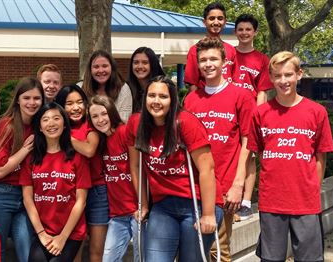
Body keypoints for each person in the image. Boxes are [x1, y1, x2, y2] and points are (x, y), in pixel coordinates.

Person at [248, 51, 333, 262]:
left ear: (299, 74)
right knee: (270, 259)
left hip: (305, 202)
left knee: (310, 259)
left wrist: (312, 189)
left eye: (288, 74)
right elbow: (260, 154)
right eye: (277, 76)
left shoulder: (317, 112)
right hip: (272, 201)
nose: (283, 80)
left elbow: (320, 158)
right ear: (271, 78)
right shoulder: (261, 114)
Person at [126, 75, 223, 261]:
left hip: (198, 203)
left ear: (172, 100)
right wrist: (144, 204)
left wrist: (209, 215)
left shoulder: (185, 122)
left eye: (163, 97)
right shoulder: (136, 124)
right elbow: (136, 165)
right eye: (151, 95)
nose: (156, 101)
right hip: (164, 206)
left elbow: (207, 169)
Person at [184, 37, 255, 262]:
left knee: (218, 250)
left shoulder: (241, 96)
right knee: (194, 250)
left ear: (224, 62)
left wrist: (238, 185)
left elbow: (248, 143)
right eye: (203, 59)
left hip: (225, 187)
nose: (208, 64)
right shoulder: (191, 100)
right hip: (195, 188)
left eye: (213, 58)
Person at [0, 77, 44, 262]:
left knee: (27, 252)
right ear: (18, 99)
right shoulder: (7, 125)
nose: (32, 103)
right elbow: (0, 170)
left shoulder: (39, 126)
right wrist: (25, 149)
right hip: (0, 194)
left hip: (26, 195)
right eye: (27, 98)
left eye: (37, 98)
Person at [21, 102, 91, 261]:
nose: (51, 123)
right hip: (43, 231)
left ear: (65, 124)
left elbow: (81, 201)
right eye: (45, 119)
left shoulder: (77, 157)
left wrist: (62, 237)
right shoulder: (32, 158)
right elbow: (27, 198)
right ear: (39, 127)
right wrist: (41, 233)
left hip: (71, 232)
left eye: (56, 118)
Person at [55, 85, 107, 262]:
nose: (76, 107)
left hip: (97, 192)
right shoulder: (58, 126)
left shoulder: (90, 124)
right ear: (61, 106)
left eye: (79, 102)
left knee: (96, 251)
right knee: (73, 250)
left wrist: (63, 135)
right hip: (70, 192)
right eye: (69, 103)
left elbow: (90, 149)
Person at [88, 95, 142, 262]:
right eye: (94, 116)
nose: (100, 120)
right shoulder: (101, 142)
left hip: (137, 211)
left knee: (141, 257)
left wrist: (143, 204)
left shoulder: (124, 132)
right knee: (108, 258)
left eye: (104, 114)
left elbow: (139, 168)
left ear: (111, 112)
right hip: (117, 214)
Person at [232, 14, 273, 222]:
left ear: (255, 32)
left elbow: (262, 93)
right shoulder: (228, 55)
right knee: (231, 154)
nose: (244, 33)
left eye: (248, 29)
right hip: (228, 113)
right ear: (235, 32)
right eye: (241, 29)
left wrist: (260, 117)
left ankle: (246, 203)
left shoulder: (262, 60)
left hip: (250, 114)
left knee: (249, 157)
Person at [185, 2, 235, 92]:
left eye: (220, 18)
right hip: (205, 100)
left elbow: (236, 80)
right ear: (204, 22)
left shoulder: (231, 50)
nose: (216, 22)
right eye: (212, 18)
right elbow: (192, 84)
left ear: (225, 22)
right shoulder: (195, 50)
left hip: (228, 100)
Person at [81, 50, 133, 122]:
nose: (101, 70)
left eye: (105, 66)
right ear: (90, 70)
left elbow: (124, 121)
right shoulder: (80, 88)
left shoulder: (123, 89)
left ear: (112, 68)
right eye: (96, 67)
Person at [127, 47, 165, 112]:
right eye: (136, 62)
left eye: (145, 63)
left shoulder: (164, 87)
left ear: (153, 65)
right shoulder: (126, 89)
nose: (140, 66)